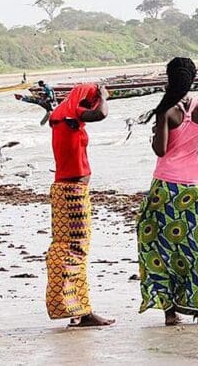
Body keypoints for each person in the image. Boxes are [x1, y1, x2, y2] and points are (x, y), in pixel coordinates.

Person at [138, 58, 198, 326]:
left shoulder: (167, 111)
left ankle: (170, 311)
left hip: (167, 185)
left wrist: (155, 131)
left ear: (170, 78)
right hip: (197, 186)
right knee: (195, 249)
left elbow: (161, 150)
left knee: (160, 247)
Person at [46, 83, 115, 327]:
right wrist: (104, 97)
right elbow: (101, 114)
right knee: (76, 252)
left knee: (71, 251)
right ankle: (80, 311)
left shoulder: (62, 116)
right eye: (91, 101)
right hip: (73, 193)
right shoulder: (70, 114)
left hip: (68, 190)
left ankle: (79, 309)